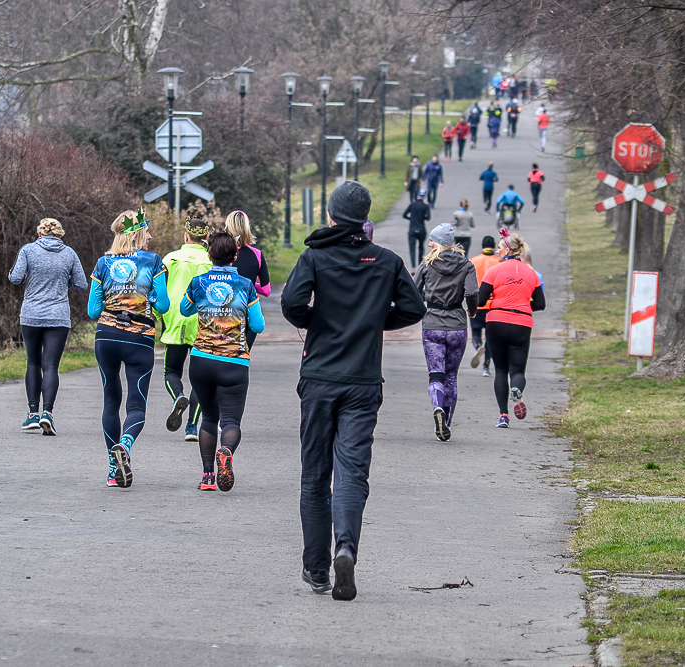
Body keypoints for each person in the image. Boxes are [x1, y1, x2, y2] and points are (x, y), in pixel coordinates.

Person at [281, 181, 425, 601]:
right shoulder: (387, 261)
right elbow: (414, 308)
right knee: (352, 472)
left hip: (320, 379)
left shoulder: (314, 257)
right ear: (364, 218)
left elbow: (291, 304)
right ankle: (345, 548)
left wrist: (317, 321)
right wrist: (373, 322)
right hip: (363, 382)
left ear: (331, 216)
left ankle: (317, 569)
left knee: (315, 475)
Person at [89, 208, 169, 488]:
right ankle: (125, 444)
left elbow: (92, 310)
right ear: (136, 234)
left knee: (111, 401)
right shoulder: (153, 261)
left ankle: (113, 470)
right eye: (147, 231)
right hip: (140, 338)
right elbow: (163, 306)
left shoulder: (103, 263)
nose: (151, 236)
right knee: (136, 404)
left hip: (107, 336)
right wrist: (151, 296)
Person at [181, 232, 265, 493]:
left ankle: (207, 477)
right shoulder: (245, 285)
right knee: (230, 421)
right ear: (235, 255)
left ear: (209, 255)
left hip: (202, 360)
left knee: (208, 418)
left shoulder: (198, 282)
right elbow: (258, 325)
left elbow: (184, 309)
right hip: (234, 362)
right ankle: (226, 450)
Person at [9, 217, 88, 436]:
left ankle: (32, 414)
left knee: (33, 363)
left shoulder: (28, 251)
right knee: (51, 366)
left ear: (39, 234)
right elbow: (81, 284)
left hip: (31, 315)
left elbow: (15, 278)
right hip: (58, 316)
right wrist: (65, 280)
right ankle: (47, 413)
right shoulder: (69, 254)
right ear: (60, 235)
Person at [413, 223, 478, 442]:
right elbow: (472, 293)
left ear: (439, 243)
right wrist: (472, 310)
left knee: (436, 374)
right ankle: (446, 422)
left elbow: (414, 291)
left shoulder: (427, 263)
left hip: (432, 324)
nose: (429, 244)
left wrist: (423, 305)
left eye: (432, 240)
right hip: (457, 325)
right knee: (451, 376)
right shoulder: (466, 265)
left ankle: (437, 406)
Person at [479, 232, 545, 428]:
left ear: (508, 250)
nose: (497, 251)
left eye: (499, 248)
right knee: (517, 370)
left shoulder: (494, 271)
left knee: (500, 370)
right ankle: (516, 388)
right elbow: (540, 303)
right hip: (522, 323)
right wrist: (522, 306)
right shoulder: (532, 274)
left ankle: (503, 416)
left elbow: (481, 300)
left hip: (497, 322)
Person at [161, 217, 213, 443]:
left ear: (186, 236)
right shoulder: (211, 261)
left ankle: (178, 397)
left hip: (175, 318)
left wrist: (159, 316)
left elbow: (159, 291)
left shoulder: (170, 258)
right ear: (206, 238)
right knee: (202, 379)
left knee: (171, 370)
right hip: (203, 321)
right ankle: (192, 426)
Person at [227, 210, 271, 349]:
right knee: (243, 355)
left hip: (224, 312)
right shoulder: (256, 254)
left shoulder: (221, 253)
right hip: (248, 312)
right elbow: (266, 290)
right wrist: (250, 283)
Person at [469, 236, 500, 377]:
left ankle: (477, 346)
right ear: (494, 246)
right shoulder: (499, 263)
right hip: (492, 305)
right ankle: (486, 367)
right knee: (490, 337)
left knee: (476, 332)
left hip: (476, 303)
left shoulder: (472, 261)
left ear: (482, 246)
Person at [403, 191, 431, 268]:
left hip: (412, 229)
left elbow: (404, 215)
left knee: (412, 248)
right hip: (421, 229)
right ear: (424, 197)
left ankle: (413, 266)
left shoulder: (412, 205)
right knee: (421, 247)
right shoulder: (425, 206)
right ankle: (420, 266)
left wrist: (411, 218)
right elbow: (428, 218)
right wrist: (422, 217)